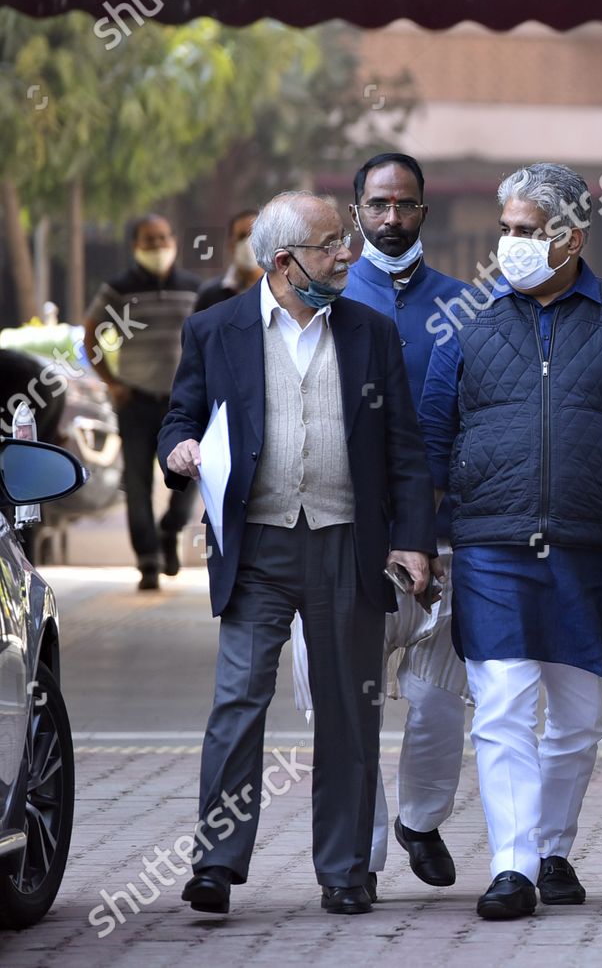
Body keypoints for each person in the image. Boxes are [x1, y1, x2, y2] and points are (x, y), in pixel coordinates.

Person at [420, 162, 602, 921]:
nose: (508, 245)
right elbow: (430, 437)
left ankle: (550, 848)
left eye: (524, 231)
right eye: (504, 229)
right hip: (490, 543)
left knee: (577, 720)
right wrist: (417, 539)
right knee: (504, 704)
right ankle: (511, 867)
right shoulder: (471, 322)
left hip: (589, 546)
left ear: (570, 237)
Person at [159, 191, 437, 917]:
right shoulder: (215, 329)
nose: (346, 254)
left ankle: (345, 870)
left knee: (350, 707)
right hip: (257, 545)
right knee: (238, 700)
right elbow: (180, 416)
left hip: (347, 544)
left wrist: (412, 539)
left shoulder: (370, 333)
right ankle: (216, 864)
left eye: (342, 241)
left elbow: (405, 445)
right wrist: (179, 449)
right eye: (329, 244)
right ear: (285, 262)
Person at [341, 152, 471, 897]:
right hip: (342, 544)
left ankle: (420, 821)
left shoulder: (467, 306)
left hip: (445, 541)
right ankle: (355, 856)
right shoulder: (321, 304)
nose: (393, 219)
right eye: (379, 204)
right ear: (356, 208)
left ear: (426, 211)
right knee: (345, 704)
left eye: (407, 205)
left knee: (436, 702)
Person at [85, 214, 201, 590]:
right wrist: (112, 384)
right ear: (135, 246)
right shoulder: (118, 289)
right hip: (135, 401)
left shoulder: (193, 289)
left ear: (175, 242)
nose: (159, 246)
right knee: (136, 483)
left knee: (191, 474)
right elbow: (91, 337)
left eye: (164, 238)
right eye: (150, 240)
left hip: (182, 404)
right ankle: (148, 560)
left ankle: (171, 529)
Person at [193, 209, 263, 313]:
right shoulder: (210, 294)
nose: (249, 242)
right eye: (242, 236)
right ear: (231, 245)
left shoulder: (282, 290)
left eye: (254, 235)